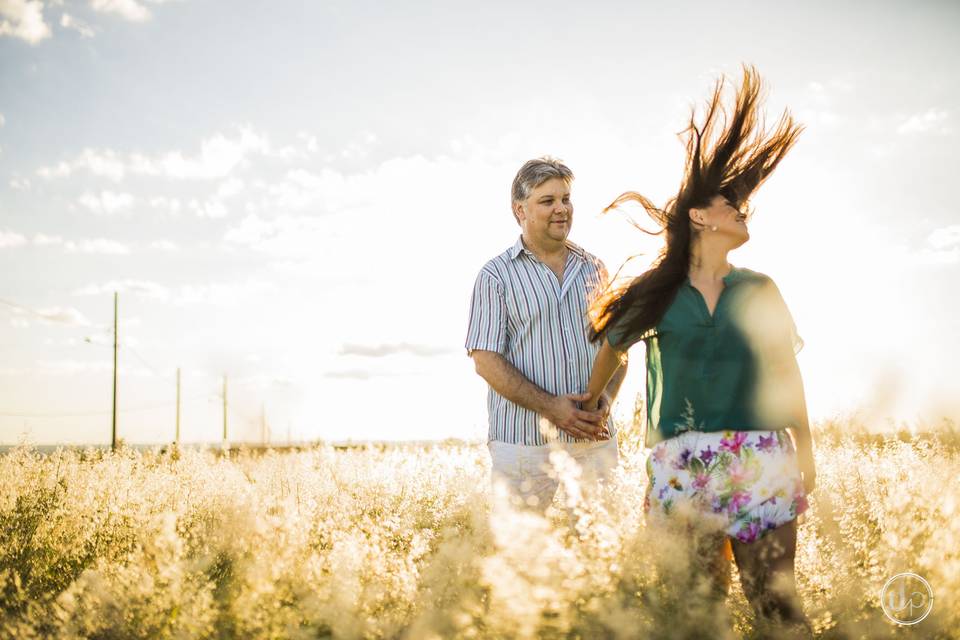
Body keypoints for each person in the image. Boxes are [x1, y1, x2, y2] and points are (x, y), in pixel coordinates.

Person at [582, 66, 817, 636]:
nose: (742, 212)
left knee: (777, 608)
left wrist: (806, 450)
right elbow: (612, 347)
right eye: (730, 204)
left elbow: (786, 375)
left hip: (762, 454)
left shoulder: (759, 289)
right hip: (682, 463)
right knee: (696, 613)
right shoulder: (657, 295)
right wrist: (593, 402)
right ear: (697, 217)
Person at [465, 156, 627, 514]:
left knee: (597, 554)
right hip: (524, 445)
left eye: (566, 199)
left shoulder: (595, 268)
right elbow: (486, 362)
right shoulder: (496, 276)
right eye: (548, 201)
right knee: (521, 558)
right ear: (519, 210)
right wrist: (552, 408)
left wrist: (605, 401)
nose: (561, 209)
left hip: (593, 442)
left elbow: (618, 347)